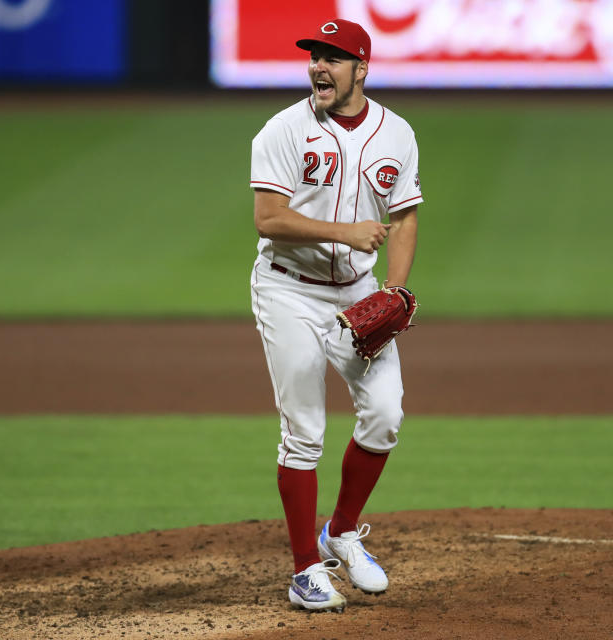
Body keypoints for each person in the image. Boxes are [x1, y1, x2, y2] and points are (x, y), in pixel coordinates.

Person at [248, 18, 423, 612]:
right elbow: (269, 219)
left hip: (357, 293)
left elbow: (403, 216)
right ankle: (305, 570)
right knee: (305, 432)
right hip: (288, 292)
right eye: (315, 56)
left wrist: (393, 293)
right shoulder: (283, 130)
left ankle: (341, 531)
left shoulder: (397, 132)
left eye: (333, 57)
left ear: (362, 69)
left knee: (386, 416)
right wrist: (343, 230)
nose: (319, 66)